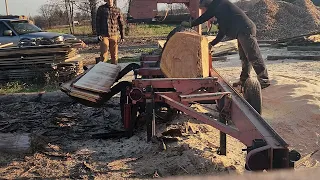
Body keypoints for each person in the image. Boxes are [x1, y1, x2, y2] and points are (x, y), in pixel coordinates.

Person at [181, 0, 270, 89]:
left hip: (245, 29)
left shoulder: (218, 4)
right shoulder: (220, 7)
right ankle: (244, 80)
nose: (203, 10)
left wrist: (192, 24)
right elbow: (220, 27)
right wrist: (212, 42)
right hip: (241, 30)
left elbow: (207, 18)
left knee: (253, 55)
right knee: (244, 57)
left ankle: (264, 80)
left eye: (203, 8)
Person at [96, 0, 125, 64]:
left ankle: (114, 70)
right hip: (104, 35)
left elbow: (121, 24)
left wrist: (122, 36)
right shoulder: (101, 9)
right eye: (108, 0)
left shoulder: (117, 10)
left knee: (114, 55)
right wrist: (98, 34)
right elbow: (97, 22)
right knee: (104, 55)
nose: (109, 1)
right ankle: (103, 70)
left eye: (111, 0)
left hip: (114, 35)